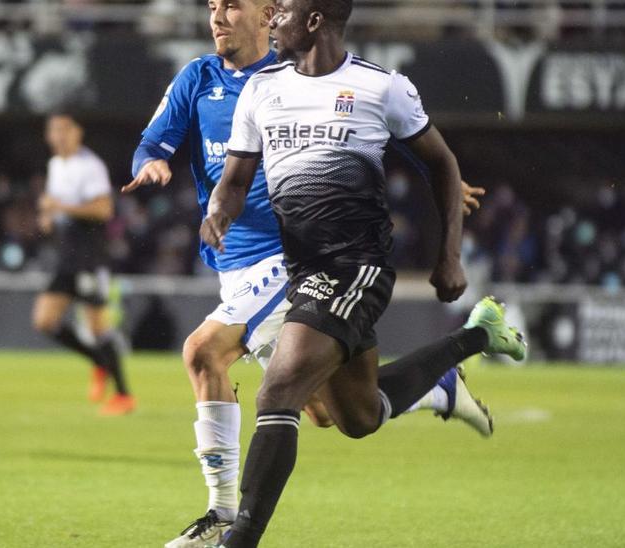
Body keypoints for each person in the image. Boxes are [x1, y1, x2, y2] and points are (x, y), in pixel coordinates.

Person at [123, 0, 494, 545]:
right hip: (236, 267)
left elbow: (388, 138)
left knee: (205, 351)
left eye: (232, 6)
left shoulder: (317, 78)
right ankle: (440, 386)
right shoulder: (205, 80)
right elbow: (155, 144)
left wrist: (444, 192)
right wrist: (152, 166)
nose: (217, 17)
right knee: (339, 413)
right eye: (212, 7)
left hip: (292, 262)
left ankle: (223, 518)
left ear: (270, 12)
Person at [32, 113, 134, 416]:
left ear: (78, 132)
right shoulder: (56, 165)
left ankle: (124, 395)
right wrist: (49, 217)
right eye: (54, 130)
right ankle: (98, 361)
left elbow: (103, 209)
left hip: (90, 253)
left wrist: (59, 207)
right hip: (67, 253)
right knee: (44, 321)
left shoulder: (90, 166)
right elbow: (56, 205)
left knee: (98, 327)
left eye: (65, 129)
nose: (59, 135)